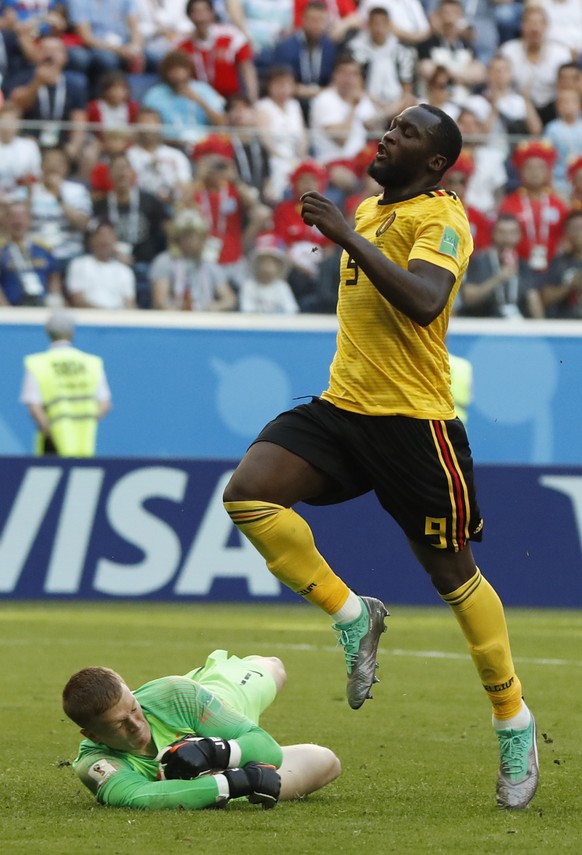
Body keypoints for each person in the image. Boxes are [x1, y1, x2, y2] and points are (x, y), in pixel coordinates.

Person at [222, 103, 539, 811]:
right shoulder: (368, 210)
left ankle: (513, 720)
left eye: (406, 134)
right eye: (390, 125)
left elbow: (426, 301)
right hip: (344, 409)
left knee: (453, 578)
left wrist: (343, 236)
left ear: (433, 162)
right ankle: (350, 615)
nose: (387, 136)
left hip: (414, 425)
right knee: (249, 491)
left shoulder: (444, 220)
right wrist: (348, 230)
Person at [62, 649, 341, 810]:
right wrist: (233, 782)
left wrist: (214, 751)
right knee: (326, 762)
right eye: (120, 724)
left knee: (274, 667)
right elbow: (140, 798)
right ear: (93, 735)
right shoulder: (95, 763)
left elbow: (266, 747)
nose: (136, 724)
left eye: (134, 708)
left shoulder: (176, 695)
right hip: (220, 767)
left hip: (220, 701)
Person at [20, 310, 111, 457]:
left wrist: (51, 432)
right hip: (84, 443)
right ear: (71, 332)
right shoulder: (91, 363)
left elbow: (34, 407)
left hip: (53, 444)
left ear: (48, 333)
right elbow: (105, 404)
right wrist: (87, 422)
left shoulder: (37, 364)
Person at [499, 139, 568, 274]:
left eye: (540, 167)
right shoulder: (508, 203)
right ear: (520, 171)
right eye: (529, 167)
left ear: (548, 171)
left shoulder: (559, 204)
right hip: (518, 270)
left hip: (555, 269)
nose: (535, 172)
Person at [149, 208, 236, 311]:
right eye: (188, 236)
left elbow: (230, 299)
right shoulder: (164, 262)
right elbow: (160, 301)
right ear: (177, 238)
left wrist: (214, 307)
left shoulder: (209, 264)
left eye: (198, 236)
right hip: (173, 320)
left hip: (205, 319)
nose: (194, 241)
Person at [458, 213, 544, 318]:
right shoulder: (480, 260)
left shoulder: (523, 265)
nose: (507, 238)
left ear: (520, 235)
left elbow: (534, 301)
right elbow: (468, 298)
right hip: (483, 323)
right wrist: (499, 278)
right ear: (493, 234)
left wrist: (540, 326)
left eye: (512, 232)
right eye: (502, 232)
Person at [177, 0, 259, 104]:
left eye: (204, 11)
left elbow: (247, 69)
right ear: (189, 16)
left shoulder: (231, 36)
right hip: (198, 102)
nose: (201, 17)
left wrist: (253, 99)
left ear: (212, 13)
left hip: (231, 101)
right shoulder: (181, 45)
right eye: (195, 12)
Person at [0, 199, 63, 306]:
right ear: (4, 220)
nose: (17, 222)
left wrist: (54, 301)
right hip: (10, 308)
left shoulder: (43, 248)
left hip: (41, 306)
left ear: (30, 220)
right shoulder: (2, 249)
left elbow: (54, 276)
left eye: (21, 217)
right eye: (13, 217)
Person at [67, 220, 136, 309]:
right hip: (89, 317)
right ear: (91, 239)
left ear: (115, 240)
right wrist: (105, 314)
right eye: (100, 236)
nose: (104, 240)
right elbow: (77, 299)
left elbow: (129, 303)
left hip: (119, 319)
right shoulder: (79, 264)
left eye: (109, 236)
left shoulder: (124, 271)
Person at [239, 232, 300, 314]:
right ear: (255, 265)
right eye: (262, 262)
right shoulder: (249, 286)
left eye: (271, 263)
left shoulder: (282, 287)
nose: (266, 268)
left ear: (279, 267)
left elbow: (292, 311)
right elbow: (247, 311)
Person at [538, 209, 582, 318]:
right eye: (575, 228)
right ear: (567, 232)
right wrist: (570, 286)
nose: (580, 232)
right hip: (564, 326)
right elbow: (544, 299)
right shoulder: (558, 262)